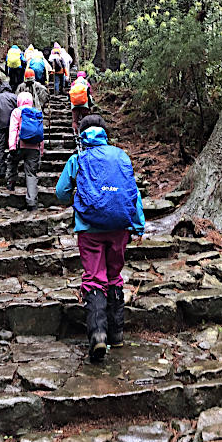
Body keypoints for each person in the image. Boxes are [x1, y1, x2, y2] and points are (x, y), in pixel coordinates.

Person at [55, 115, 145, 361]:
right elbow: (132, 193)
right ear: (105, 134)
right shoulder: (121, 156)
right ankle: (117, 336)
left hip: (90, 228)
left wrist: (78, 198)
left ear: (82, 134)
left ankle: (98, 336)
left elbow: (61, 193)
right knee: (114, 276)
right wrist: (138, 224)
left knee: (95, 278)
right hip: (120, 228)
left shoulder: (78, 159)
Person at [7, 91, 44, 210]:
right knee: (31, 174)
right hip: (34, 147)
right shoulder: (37, 113)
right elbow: (40, 133)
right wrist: (40, 150)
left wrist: (11, 146)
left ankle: (11, 184)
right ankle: (32, 202)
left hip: (19, 145)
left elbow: (13, 129)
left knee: (12, 162)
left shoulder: (17, 112)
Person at [69, 70, 93, 135]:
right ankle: (84, 132)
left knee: (75, 121)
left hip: (74, 104)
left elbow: (70, 93)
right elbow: (90, 92)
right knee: (85, 119)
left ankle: (75, 134)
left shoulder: (74, 83)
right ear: (84, 76)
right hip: (84, 103)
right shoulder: (86, 82)